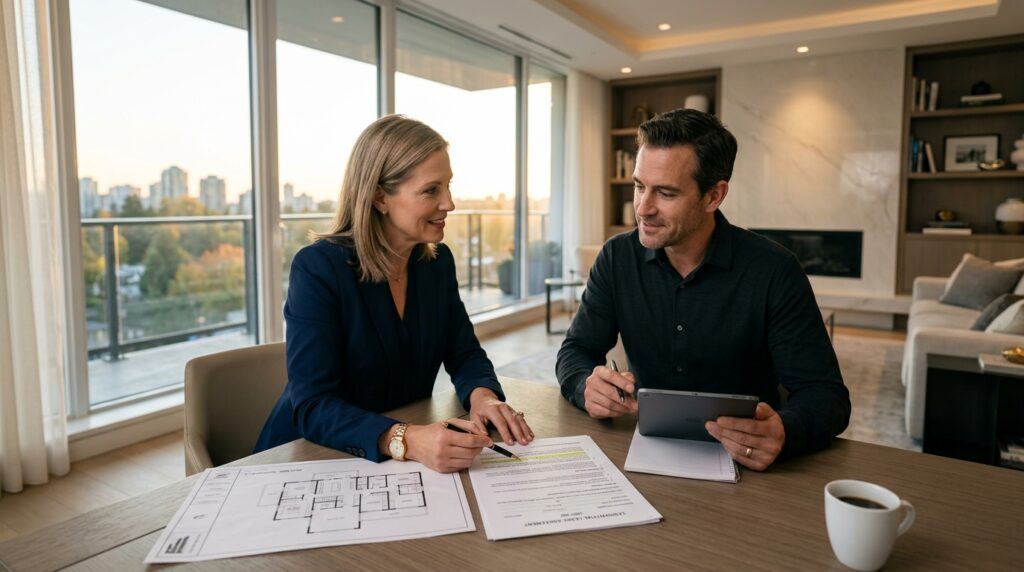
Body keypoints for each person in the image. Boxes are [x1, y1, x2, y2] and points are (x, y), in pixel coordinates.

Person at [556, 109, 849, 471]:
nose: (643, 208)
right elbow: (576, 350)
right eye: (639, 186)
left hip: (748, 466)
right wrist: (585, 385)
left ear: (714, 196)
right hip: (643, 453)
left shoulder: (774, 271)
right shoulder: (616, 258)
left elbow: (826, 395)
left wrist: (785, 431)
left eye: (665, 192)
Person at [255, 115, 533, 473]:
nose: (449, 203)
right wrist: (406, 439)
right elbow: (313, 405)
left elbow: (463, 351)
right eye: (431, 190)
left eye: (448, 186)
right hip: (308, 459)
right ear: (379, 196)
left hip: (396, 463)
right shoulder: (318, 269)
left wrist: (483, 397)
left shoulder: (436, 263)